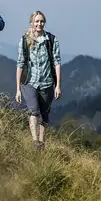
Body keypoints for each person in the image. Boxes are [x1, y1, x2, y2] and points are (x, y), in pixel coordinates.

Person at [16, 10, 62, 151]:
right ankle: (35, 141)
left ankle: (41, 144)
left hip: (47, 82)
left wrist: (58, 85)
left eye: (41, 21)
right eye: (36, 21)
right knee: (33, 111)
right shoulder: (24, 40)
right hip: (29, 81)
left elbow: (57, 62)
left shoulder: (52, 40)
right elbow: (20, 63)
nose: (39, 24)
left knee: (44, 114)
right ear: (31, 23)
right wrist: (17, 88)